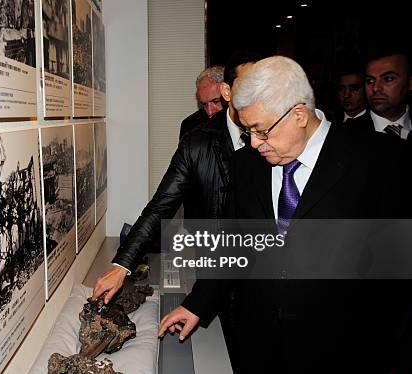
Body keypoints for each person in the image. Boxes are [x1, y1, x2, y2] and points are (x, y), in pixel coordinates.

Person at [160, 56, 411, 373]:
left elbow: (399, 272)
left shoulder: (381, 160)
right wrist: (197, 304)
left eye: (261, 130)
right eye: (247, 130)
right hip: (259, 344)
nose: (254, 143)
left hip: (346, 349)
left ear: (299, 114)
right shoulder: (246, 166)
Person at [92, 53, 260, 303]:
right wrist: (122, 265)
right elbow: (162, 205)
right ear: (228, 91)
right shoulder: (197, 140)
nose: (210, 111)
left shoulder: (274, 136)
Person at [365, 46, 411, 139]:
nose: (376, 88)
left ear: (409, 83)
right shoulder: (348, 133)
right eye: (370, 81)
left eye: (388, 79)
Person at [178, 66, 225, 140]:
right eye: (204, 104)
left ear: (229, 93)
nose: (209, 112)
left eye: (216, 101)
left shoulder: (245, 120)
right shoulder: (190, 126)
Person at [334, 63, 373, 132]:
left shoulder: (377, 124)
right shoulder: (328, 121)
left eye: (354, 88)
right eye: (341, 89)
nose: (346, 95)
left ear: (366, 89)